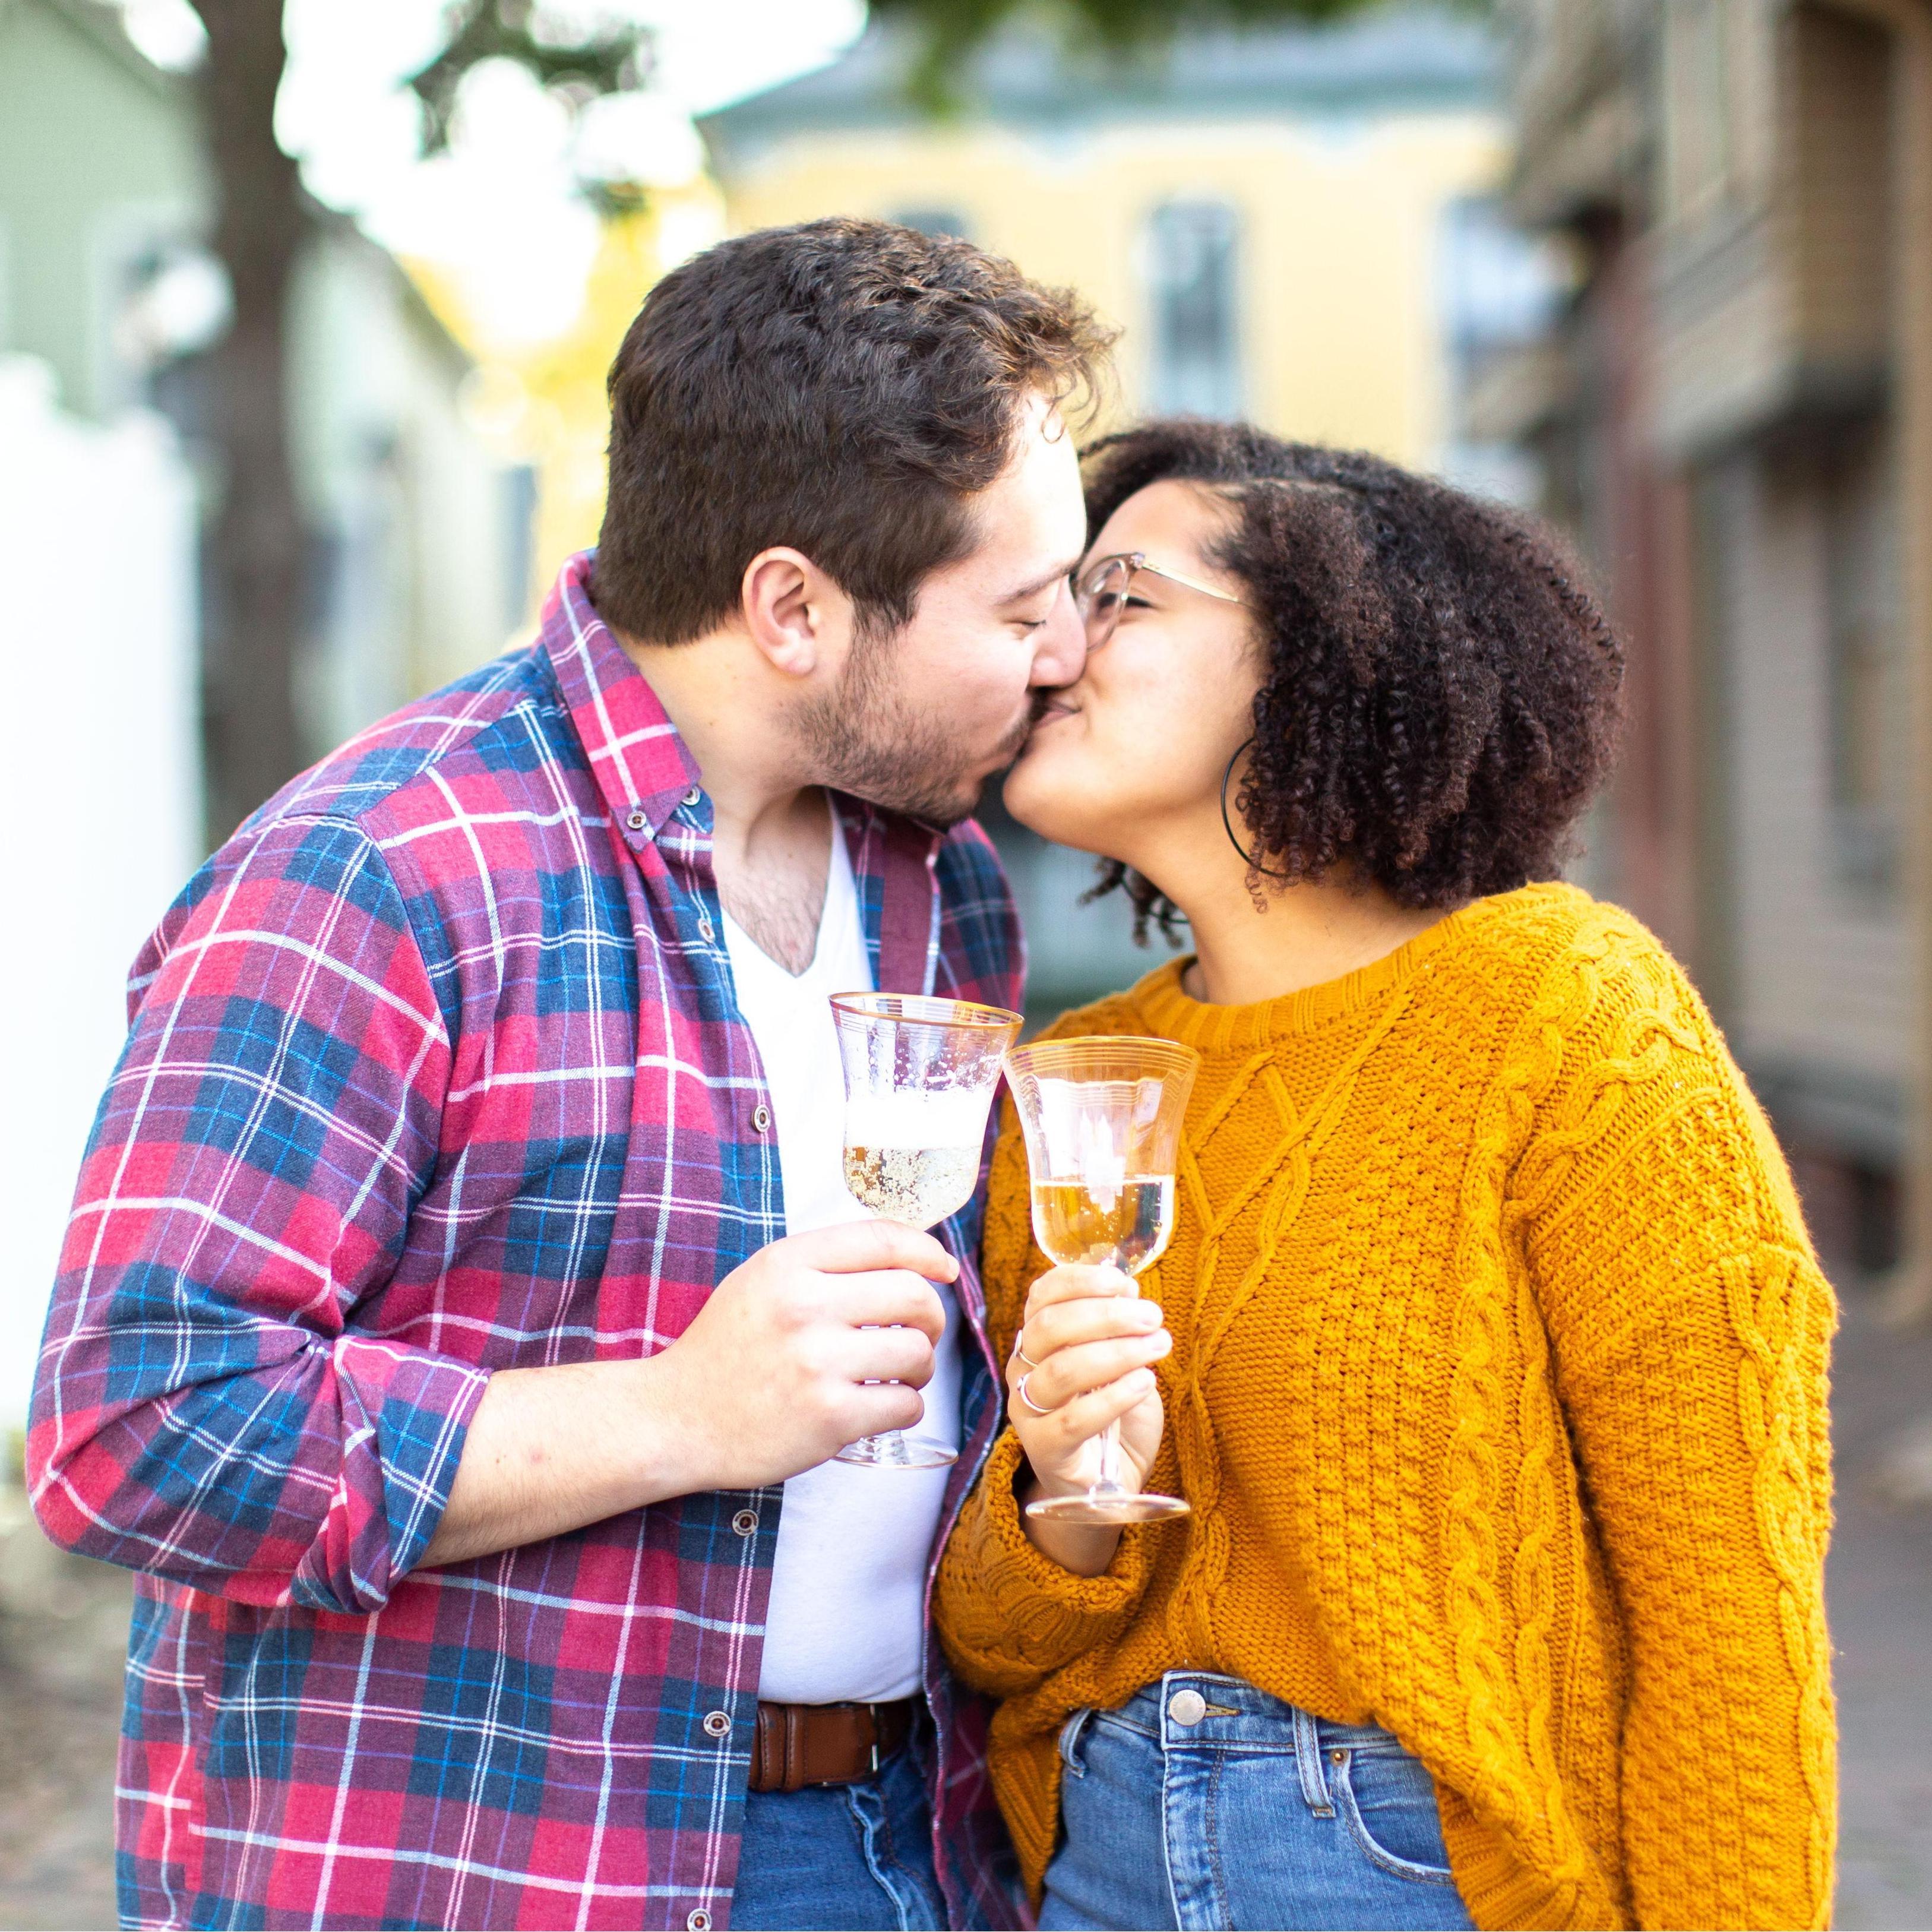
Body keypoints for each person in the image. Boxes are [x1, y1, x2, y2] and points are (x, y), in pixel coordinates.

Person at [29, 218, 1109, 1932]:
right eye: (1021, 603)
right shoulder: (379, 872)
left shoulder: (938, 885)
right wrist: (673, 1414)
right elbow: (134, 1421)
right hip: (488, 1874)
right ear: (793, 608)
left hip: (906, 1844)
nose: (1063, 652)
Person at [934, 420, 1838, 1932]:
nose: (1051, 649)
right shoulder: (1076, 1076)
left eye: (1124, 595)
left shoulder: (1562, 1009)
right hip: (1098, 1857)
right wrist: (1064, 1493)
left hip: (1415, 1869)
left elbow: (1727, 1611)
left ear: (1323, 656)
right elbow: (991, 1634)